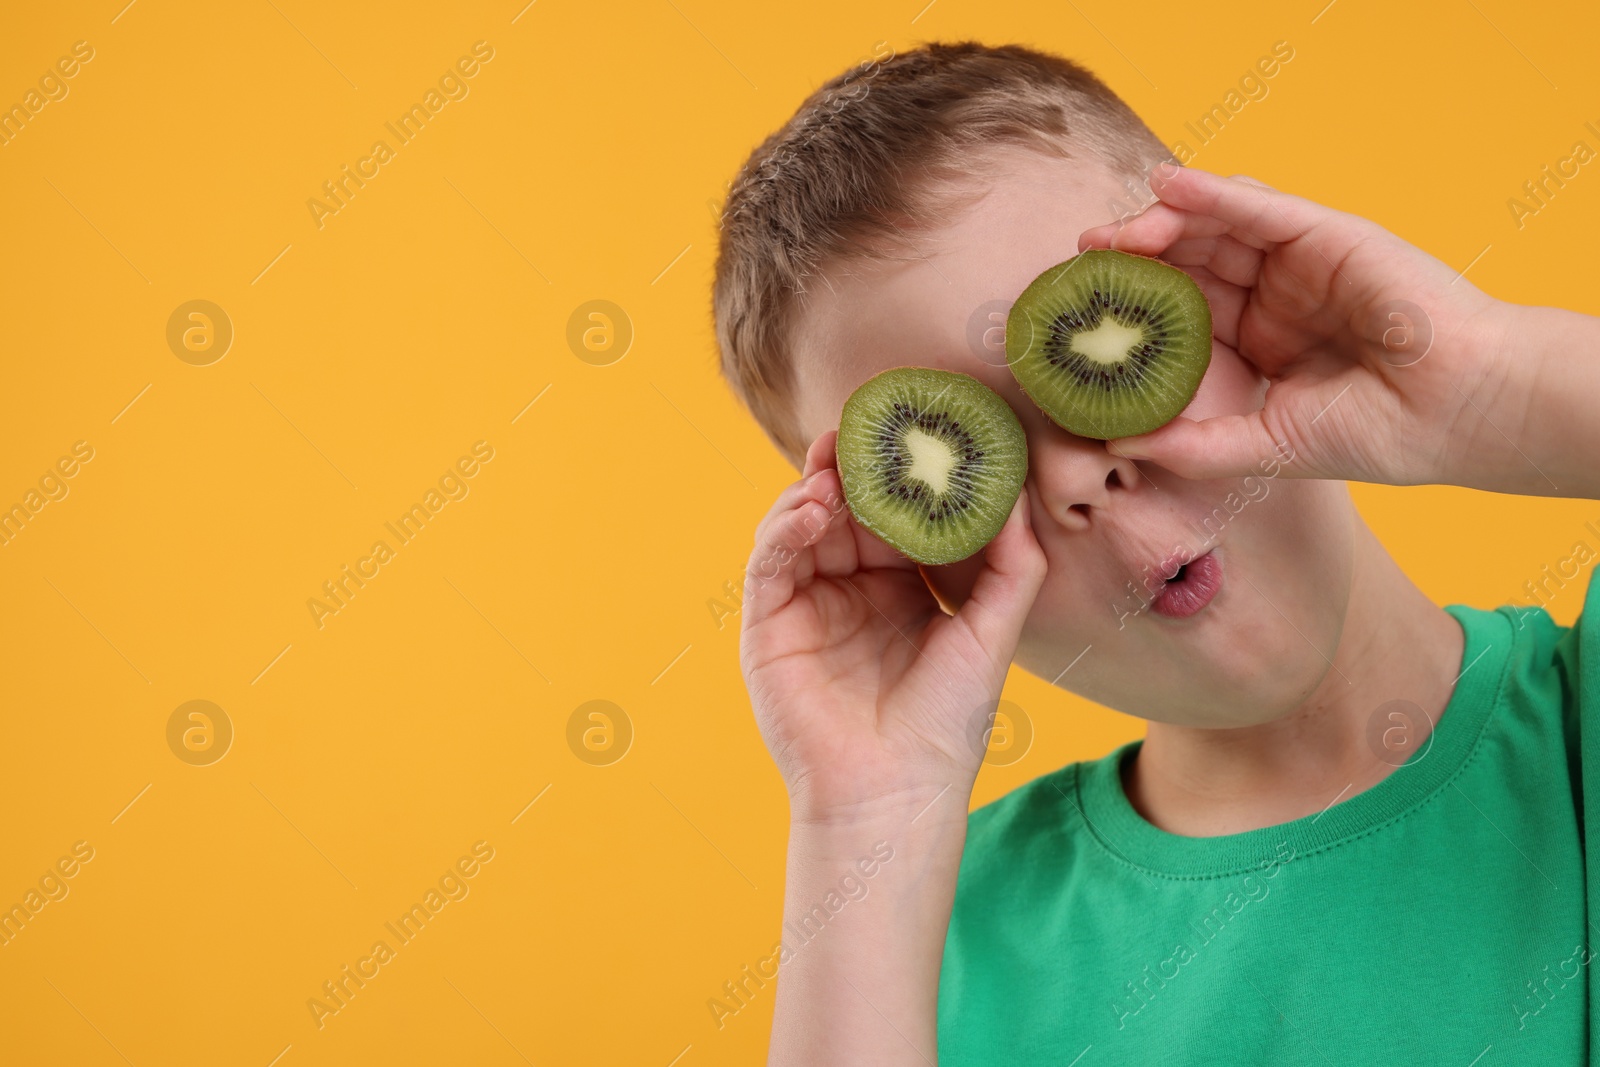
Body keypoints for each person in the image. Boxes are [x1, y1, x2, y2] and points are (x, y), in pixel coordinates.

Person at [712, 41, 1600, 1065]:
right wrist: (865, 820)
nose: (1076, 480)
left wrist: (1490, 382)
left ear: (1239, 299)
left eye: (1097, 357)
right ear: (902, 545)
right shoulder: (912, 956)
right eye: (969, 454)